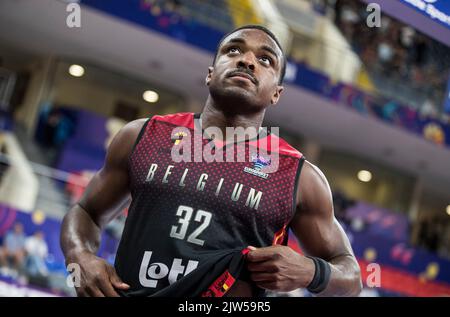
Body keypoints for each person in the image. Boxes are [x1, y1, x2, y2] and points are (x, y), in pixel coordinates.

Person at [61, 25, 362, 297]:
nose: (246, 61)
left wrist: (311, 271)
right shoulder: (142, 135)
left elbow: (351, 276)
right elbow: (86, 211)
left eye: (265, 60)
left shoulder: (299, 176)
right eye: (233, 50)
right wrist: (79, 256)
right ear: (210, 73)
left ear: (276, 94)